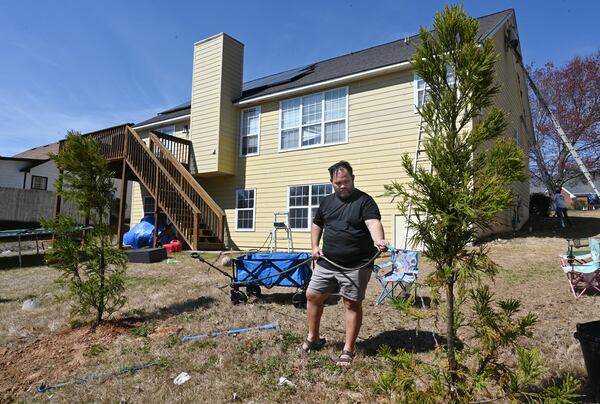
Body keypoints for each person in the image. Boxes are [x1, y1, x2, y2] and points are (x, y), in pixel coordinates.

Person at [297, 161, 388, 367]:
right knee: (312, 295)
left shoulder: (365, 201)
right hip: (328, 261)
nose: (342, 186)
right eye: (338, 183)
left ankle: (348, 349)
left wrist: (378, 240)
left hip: (357, 264)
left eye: (346, 181)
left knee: (351, 303)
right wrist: (314, 246)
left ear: (353, 179)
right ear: (331, 182)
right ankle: (313, 339)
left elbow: (373, 222)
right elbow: (317, 223)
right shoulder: (327, 202)